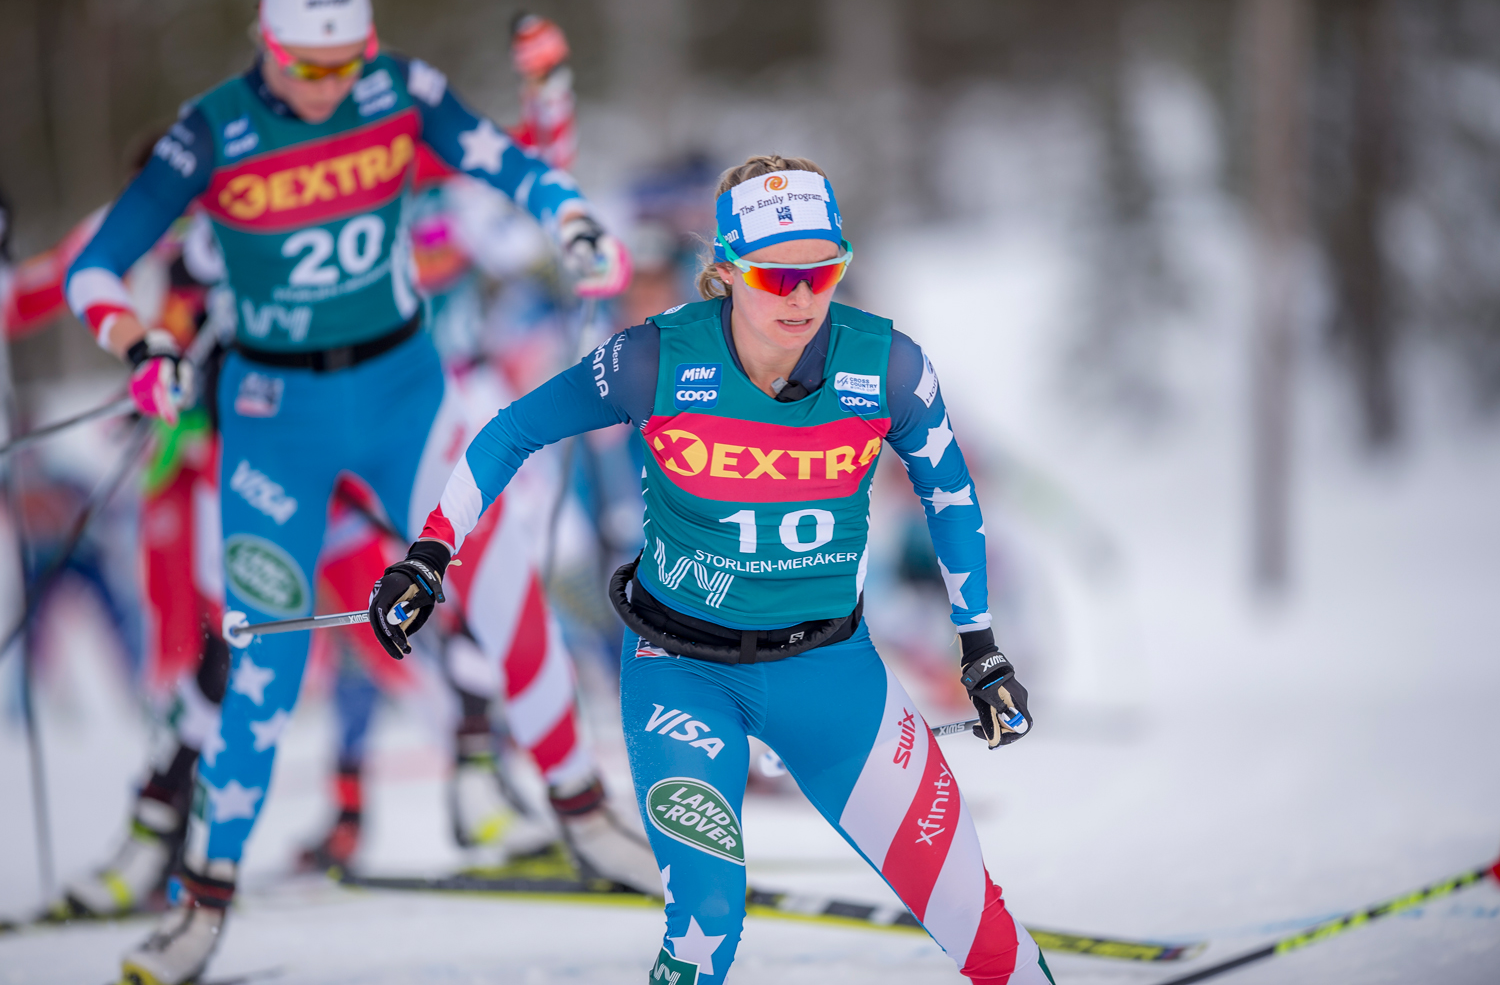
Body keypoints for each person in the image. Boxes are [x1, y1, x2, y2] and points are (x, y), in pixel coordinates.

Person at [64, 0, 640, 982]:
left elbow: (512, 168)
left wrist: (575, 220)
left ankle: (582, 812)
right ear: (267, 45)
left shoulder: (399, 89)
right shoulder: (211, 129)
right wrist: (141, 343)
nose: (331, 87)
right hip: (272, 422)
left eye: (347, 63)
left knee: (496, 559)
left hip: (401, 393)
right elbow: (98, 268)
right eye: (307, 67)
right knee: (265, 666)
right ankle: (200, 902)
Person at [369, 154, 1054, 985]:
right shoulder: (654, 360)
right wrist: (431, 553)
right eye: (775, 275)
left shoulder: (889, 367)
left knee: (983, 931)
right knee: (706, 926)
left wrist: (980, 647)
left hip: (832, 672)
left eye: (822, 270)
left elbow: (949, 494)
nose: (801, 297)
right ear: (727, 271)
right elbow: (511, 430)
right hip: (681, 676)